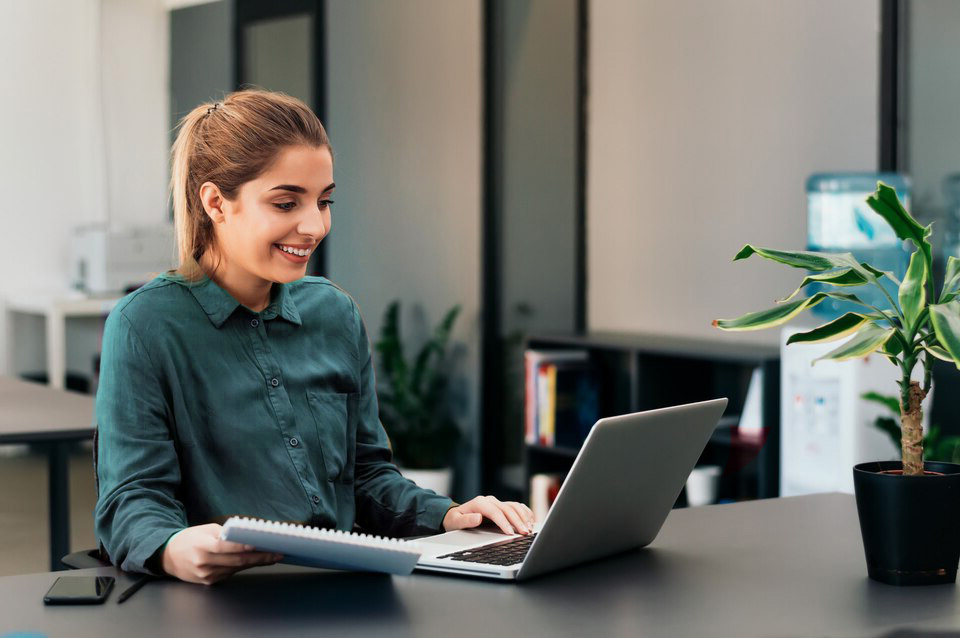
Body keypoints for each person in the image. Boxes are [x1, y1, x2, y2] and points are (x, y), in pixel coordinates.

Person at [94, 89, 533, 585]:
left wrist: (451, 516)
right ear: (216, 202)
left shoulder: (334, 312)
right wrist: (172, 547)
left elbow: (366, 476)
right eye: (286, 203)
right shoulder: (144, 325)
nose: (315, 225)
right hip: (226, 600)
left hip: (345, 592)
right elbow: (131, 499)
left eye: (324, 201)